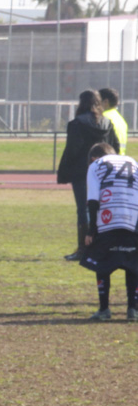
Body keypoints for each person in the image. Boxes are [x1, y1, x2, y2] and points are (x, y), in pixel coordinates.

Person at [57, 90, 121, 262]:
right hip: (106, 172)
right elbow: (115, 147)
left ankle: (84, 249)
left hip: (82, 173)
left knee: (84, 210)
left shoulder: (77, 124)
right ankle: (105, 247)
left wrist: (64, 172)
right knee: (104, 208)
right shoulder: (107, 123)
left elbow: (72, 151)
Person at [81, 143, 138, 322]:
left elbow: (92, 200)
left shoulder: (95, 166)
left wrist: (91, 230)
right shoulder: (133, 162)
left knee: (102, 262)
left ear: (93, 158)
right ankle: (133, 310)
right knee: (134, 264)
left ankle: (104, 309)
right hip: (132, 218)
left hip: (108, 218)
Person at [100, 88, 128, 156]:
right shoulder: (120, 119)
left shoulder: (103, 117)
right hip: (120, 159)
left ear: (105, 102)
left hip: (108, 160)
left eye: (98, 101)